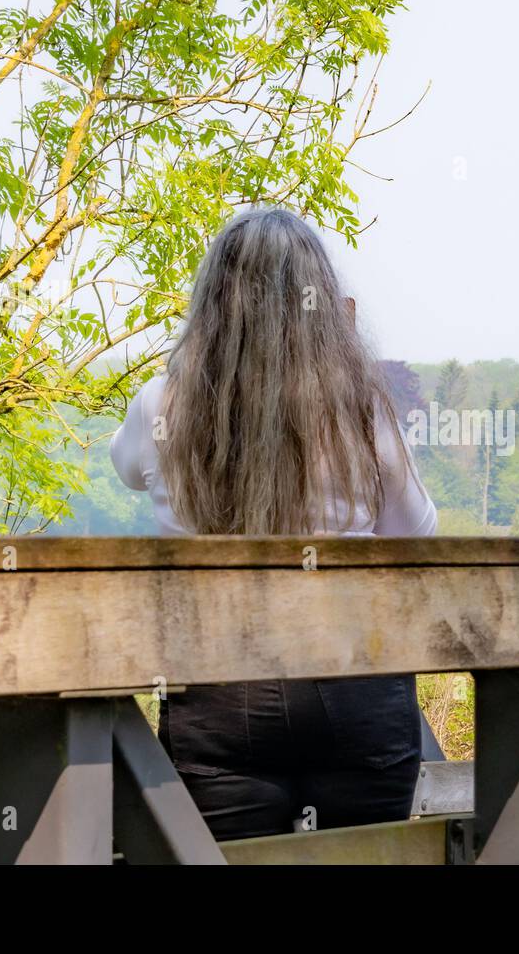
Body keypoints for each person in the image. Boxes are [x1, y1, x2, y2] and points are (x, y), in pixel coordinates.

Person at [110, 206, 437, 840]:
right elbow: (414, 532)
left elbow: (126, 467)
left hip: (217, 692)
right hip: (355, 685)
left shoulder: (162, 404)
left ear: (211, 302)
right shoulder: (360, 407)